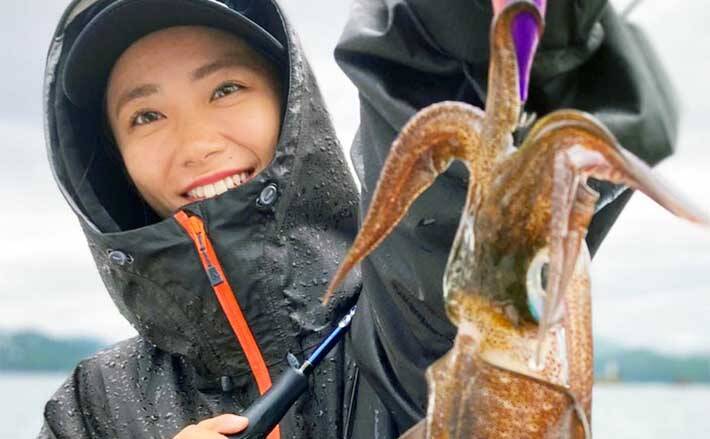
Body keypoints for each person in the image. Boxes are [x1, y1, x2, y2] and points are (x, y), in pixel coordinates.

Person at [40, 0, 677, 438]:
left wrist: (498, 32)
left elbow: (450, 176)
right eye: (146, 116)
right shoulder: (90, 410)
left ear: (291, 108)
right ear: (113, 158)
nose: (196, 142)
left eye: (226, 89)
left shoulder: (400, 324)